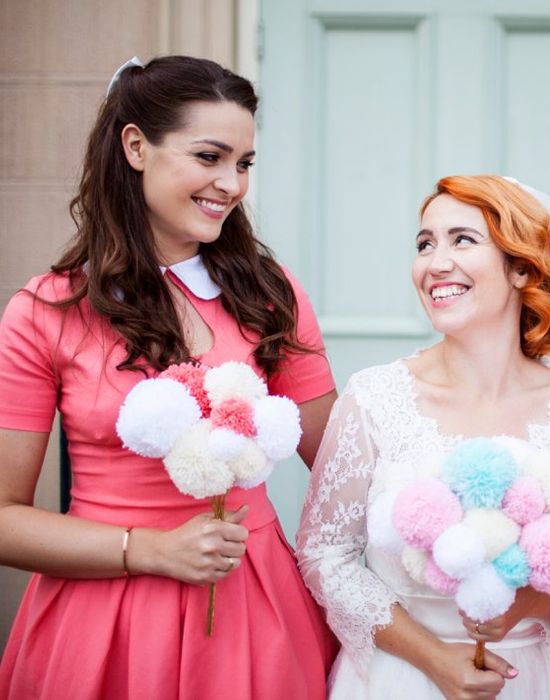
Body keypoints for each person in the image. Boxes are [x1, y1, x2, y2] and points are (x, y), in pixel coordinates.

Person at [0, 55, 338, 699]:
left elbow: (344, 462)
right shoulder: (42, 313)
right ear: (135, 147)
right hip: (103, 623)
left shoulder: (271, 296)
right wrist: (149, 550)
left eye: (244, 163)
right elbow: (3, 517)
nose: (232, 184)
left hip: (253, 609)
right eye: (209, 157)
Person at [296, 175, 550, 699]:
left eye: (462, 239)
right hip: (397, 676)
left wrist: (524, 608)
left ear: (522, 266)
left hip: (524, 677)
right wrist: (434, 659)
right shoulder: (374, 397)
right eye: (424, 244)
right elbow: (326, 555)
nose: (435, 262)